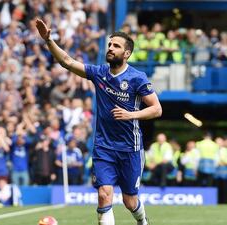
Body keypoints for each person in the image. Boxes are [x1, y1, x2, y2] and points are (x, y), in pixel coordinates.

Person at [36, 19, 162, 225]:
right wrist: (49, 40)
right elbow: (67, 61)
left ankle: (142, 221)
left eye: (116, 46)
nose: (111, 48)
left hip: (131, 148)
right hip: (104, 146)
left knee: (130, 201)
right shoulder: (99, 73)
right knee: (104, 194)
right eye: (110, 44)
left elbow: (157, 109)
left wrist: (132, 115)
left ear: (127, 54)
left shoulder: (137, 78)